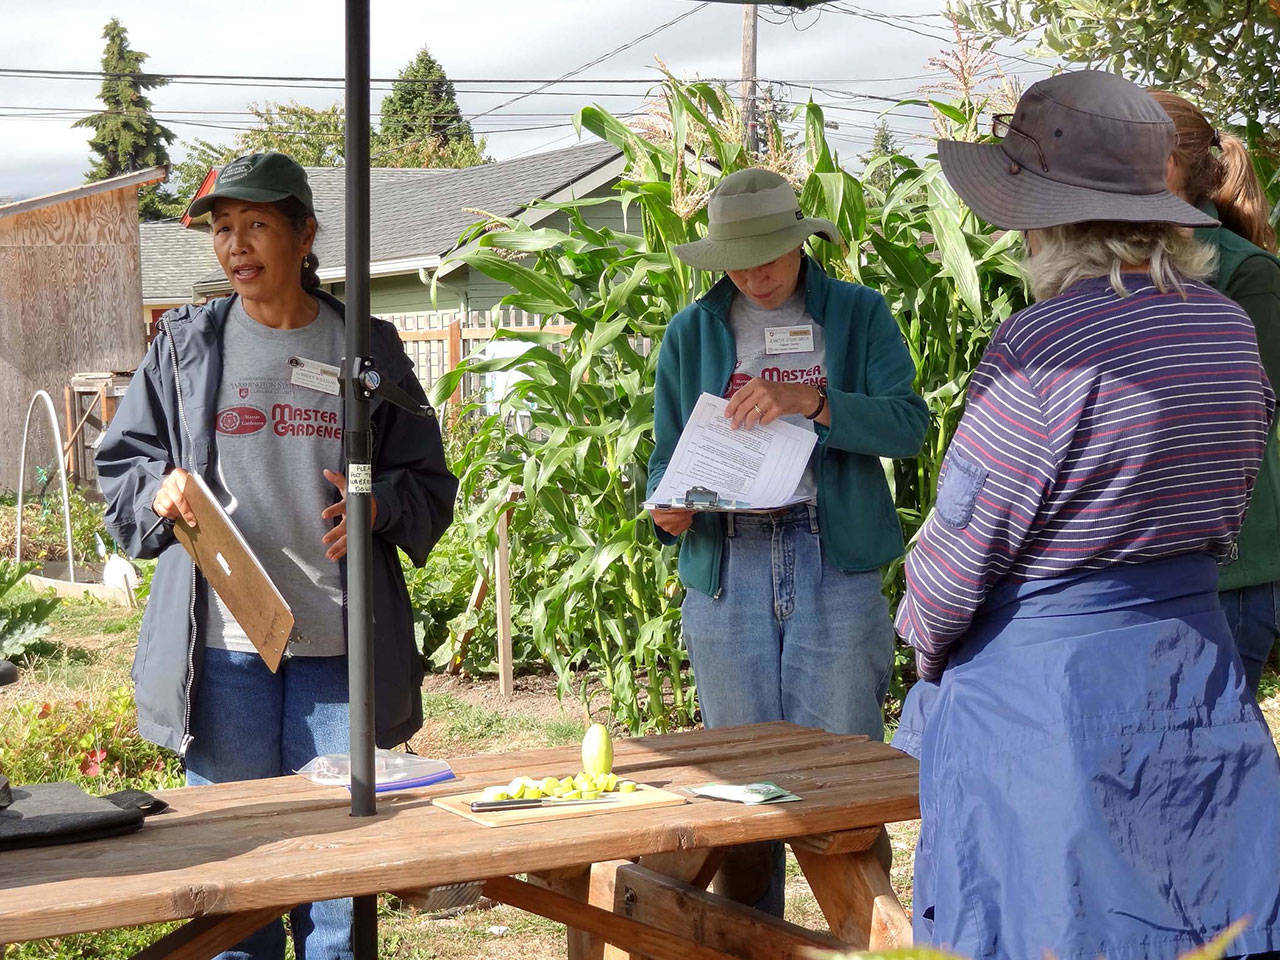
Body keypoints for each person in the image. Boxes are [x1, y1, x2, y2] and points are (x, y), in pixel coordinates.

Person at [892, 70, 1280, 960]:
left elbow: (955, 568)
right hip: (1196, 677)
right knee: (1201, 926)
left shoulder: (1043, 343)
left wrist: (923, 644)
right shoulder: (1225, 326)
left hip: (1047, 711)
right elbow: (1228, 511)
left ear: (1045, 221)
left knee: (1051, 931)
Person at [96, 152, 457, 960]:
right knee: (240, 881)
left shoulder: (367, 346)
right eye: (223, 229)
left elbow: (428, 484)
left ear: (304, 234)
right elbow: (121, 465)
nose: (236, 245)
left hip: (338, 649)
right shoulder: (185, 349)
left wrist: (378, 506)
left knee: (339, 887)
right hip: (222, 653)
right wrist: (158, 488)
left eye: (256, 223)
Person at [648, 167, 927, 916]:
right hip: (727, 565)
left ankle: (864, 929)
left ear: (802, 242)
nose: (755, 273)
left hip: (830, 560)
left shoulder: (860, 315)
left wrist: (814, 400)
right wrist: (666, 509)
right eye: (738, 259)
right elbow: (665, 458)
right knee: (741, 798)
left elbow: (910, 425)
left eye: (769, 253)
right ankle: (753, 938)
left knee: (846, 786)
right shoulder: (692, 331)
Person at [1151, 89, 1280, 697]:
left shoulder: (1246, 273)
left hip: (1225, 575)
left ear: (1171, 165)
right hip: (1150, 566)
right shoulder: (1111, 264)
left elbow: (1250, 420)